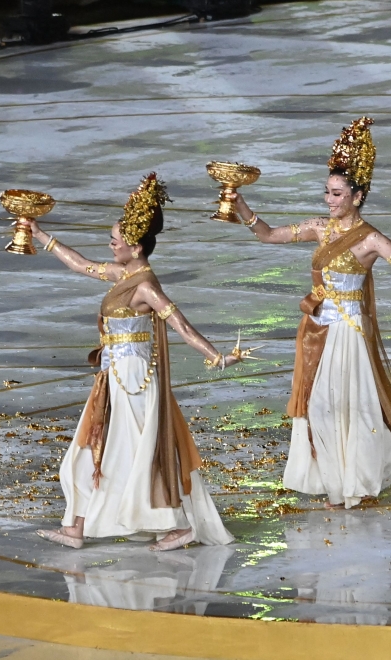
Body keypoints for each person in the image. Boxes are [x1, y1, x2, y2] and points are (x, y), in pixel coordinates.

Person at [229, 117, 391, 509]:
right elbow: (270, 235)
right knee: (319, 408)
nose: (329, 200)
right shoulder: (320, 229)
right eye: (327, 192)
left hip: (349, 333)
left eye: (337, 194)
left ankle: (354, 486)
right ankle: (338, 482)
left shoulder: (372, 239)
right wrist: (240, 205)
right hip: (318, 330)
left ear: (357, 197)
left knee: (350, 410)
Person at [31, 174, 244, 551]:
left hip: (133, 382)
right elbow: (81, 265)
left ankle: (174, 526)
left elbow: (181, 325)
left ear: (136, 246)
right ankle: (77, 527)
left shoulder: (145, 286)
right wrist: (39, 235)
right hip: (113, 376)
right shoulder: (122, 273)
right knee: (92, 447)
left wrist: (218, 358)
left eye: (117, 241)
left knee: (124, 452)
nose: (111, 244)